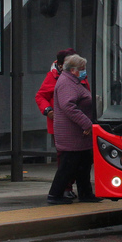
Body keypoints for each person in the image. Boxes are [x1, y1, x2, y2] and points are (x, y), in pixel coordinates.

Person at [47, 54, 100, 204]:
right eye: (82, 69)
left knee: (83, 164)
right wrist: (87, 124)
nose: (84, 72)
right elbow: (68, 106)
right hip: (72, 133)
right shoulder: (66, 83)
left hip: (79, 133)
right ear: (73, 70)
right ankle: (55, 195)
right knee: (68, 165)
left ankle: (86, 193)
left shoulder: (74, 82)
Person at [35, 48, 78, 200]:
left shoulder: (79, 74)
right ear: (60, 65)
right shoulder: (52, 77)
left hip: (77, 122)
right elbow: (41, 96)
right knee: (65, 158)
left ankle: (72, 186)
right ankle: (65, 188)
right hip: (60, 124)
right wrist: (48, 111)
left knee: (80, 157)